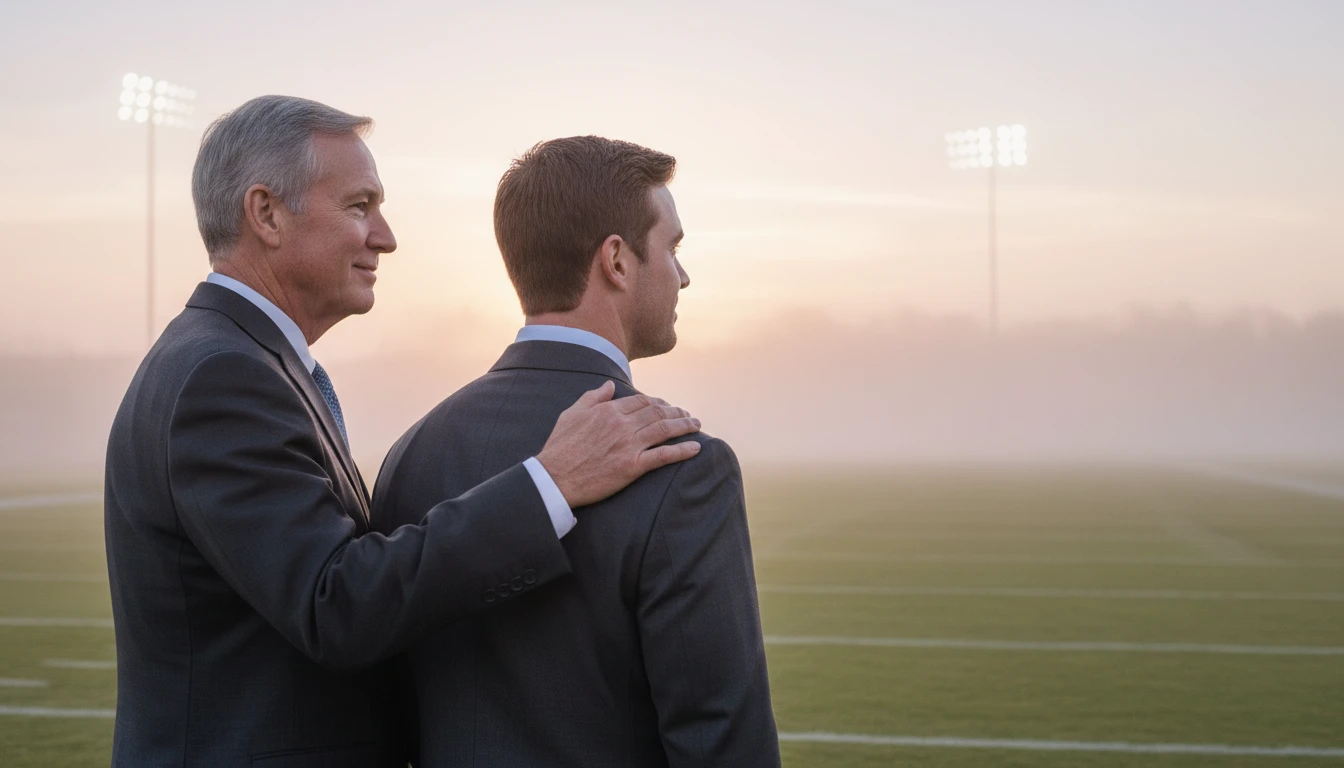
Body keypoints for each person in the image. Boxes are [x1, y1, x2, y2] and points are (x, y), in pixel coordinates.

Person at [103, 97, 703, 767]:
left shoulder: (241, 360)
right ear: (266, 213)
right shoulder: (222, 376)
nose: (385, 236)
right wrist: (551, 484)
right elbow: (335, 605)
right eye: (359, 207)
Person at [372, 136, 779, 767]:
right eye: (671, 247)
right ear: (616, 261)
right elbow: (720, 735)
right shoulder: (683, 467)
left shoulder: (412, 451)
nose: (683, 274)